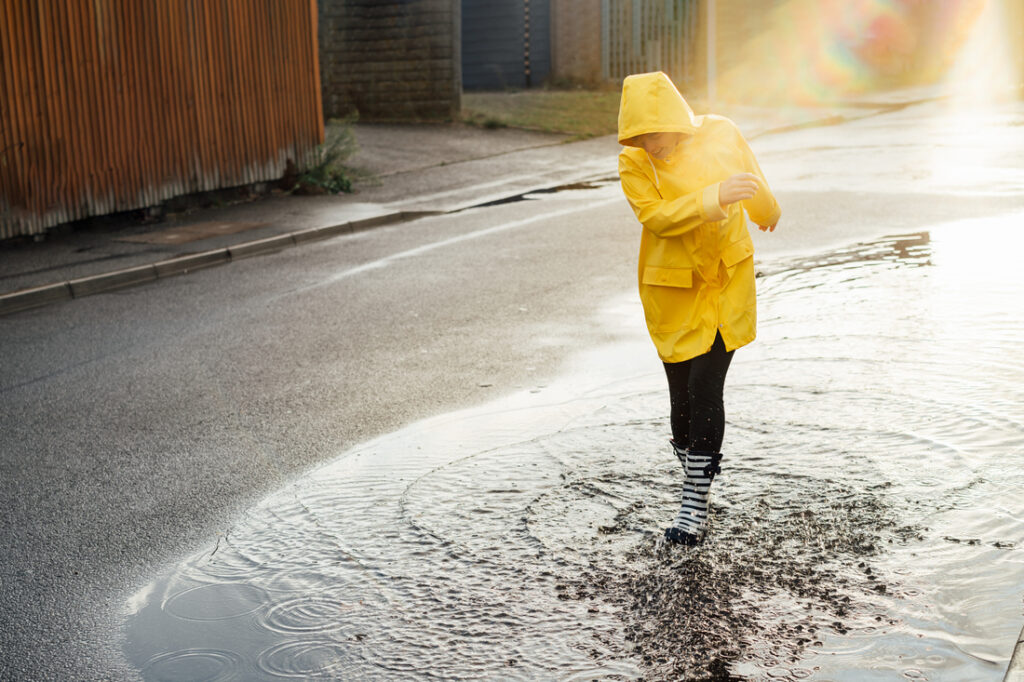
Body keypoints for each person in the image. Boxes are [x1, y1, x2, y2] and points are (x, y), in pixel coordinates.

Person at [617, 71, 781, 545]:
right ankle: (699, 474)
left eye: (657, 134)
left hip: (725, 280)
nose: (653, 146)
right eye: (641, 137)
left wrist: (767, 211)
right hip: (673, 290)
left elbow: (749, 177)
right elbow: (655, 217)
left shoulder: (721, 132)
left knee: (706, 385)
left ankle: (693, 500)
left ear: (676, 121)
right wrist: (714, 196)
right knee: (681, 402)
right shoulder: (634, 163)